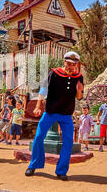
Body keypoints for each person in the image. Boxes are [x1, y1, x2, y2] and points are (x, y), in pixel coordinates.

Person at [25, 51, 84, 181]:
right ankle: (33, 165)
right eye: (68, 64)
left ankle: (61, 171)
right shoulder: (54, 73)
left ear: (76, 65)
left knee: (68, 141)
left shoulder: (79, 77)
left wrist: (79, 91)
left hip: (66, 114)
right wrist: (37, 106)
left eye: (73, 65)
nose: (70, 66)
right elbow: (43, 89)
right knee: (39, 137)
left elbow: (79, 97)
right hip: (50, 111)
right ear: (64, 62)